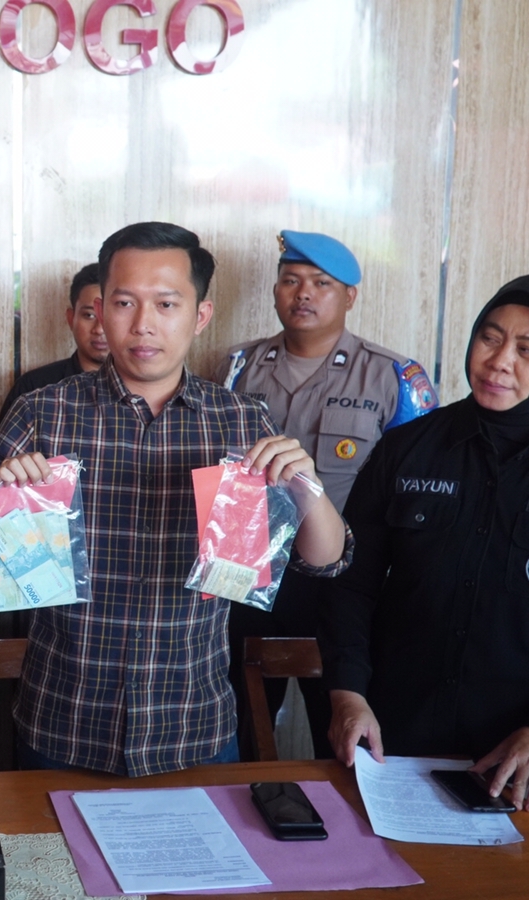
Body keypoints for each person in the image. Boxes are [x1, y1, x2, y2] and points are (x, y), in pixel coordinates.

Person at [0, 222, 352, 777]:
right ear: (100, 310)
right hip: (63, 725)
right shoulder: (43, 412)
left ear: (200, 315)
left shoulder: (240, 420)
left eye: (166, 304)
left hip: (194, 727)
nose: (143, 324)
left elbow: (325, 560)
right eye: (124, 303)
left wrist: (307, 484)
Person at [322, 273, 529, 841]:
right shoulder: (406, 449)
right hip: (394, 748)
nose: (500, 361)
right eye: (490, 337)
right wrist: (347, 691)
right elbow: (348, 581)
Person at [220, 230, 438, 758]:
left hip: (345, 584)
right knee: (240, 723)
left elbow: (419, 491)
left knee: (342, 729)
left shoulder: (393, 376)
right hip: (250, 575)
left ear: (350, 296)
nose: (304, 293)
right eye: (291, 280)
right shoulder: (238, 367)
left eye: (321, 283)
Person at [0, 263, 107, 423]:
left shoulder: (143, 389)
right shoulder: (33, 390)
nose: (99, 329)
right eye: (89, 315)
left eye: (108, 316)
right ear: (71, 318)